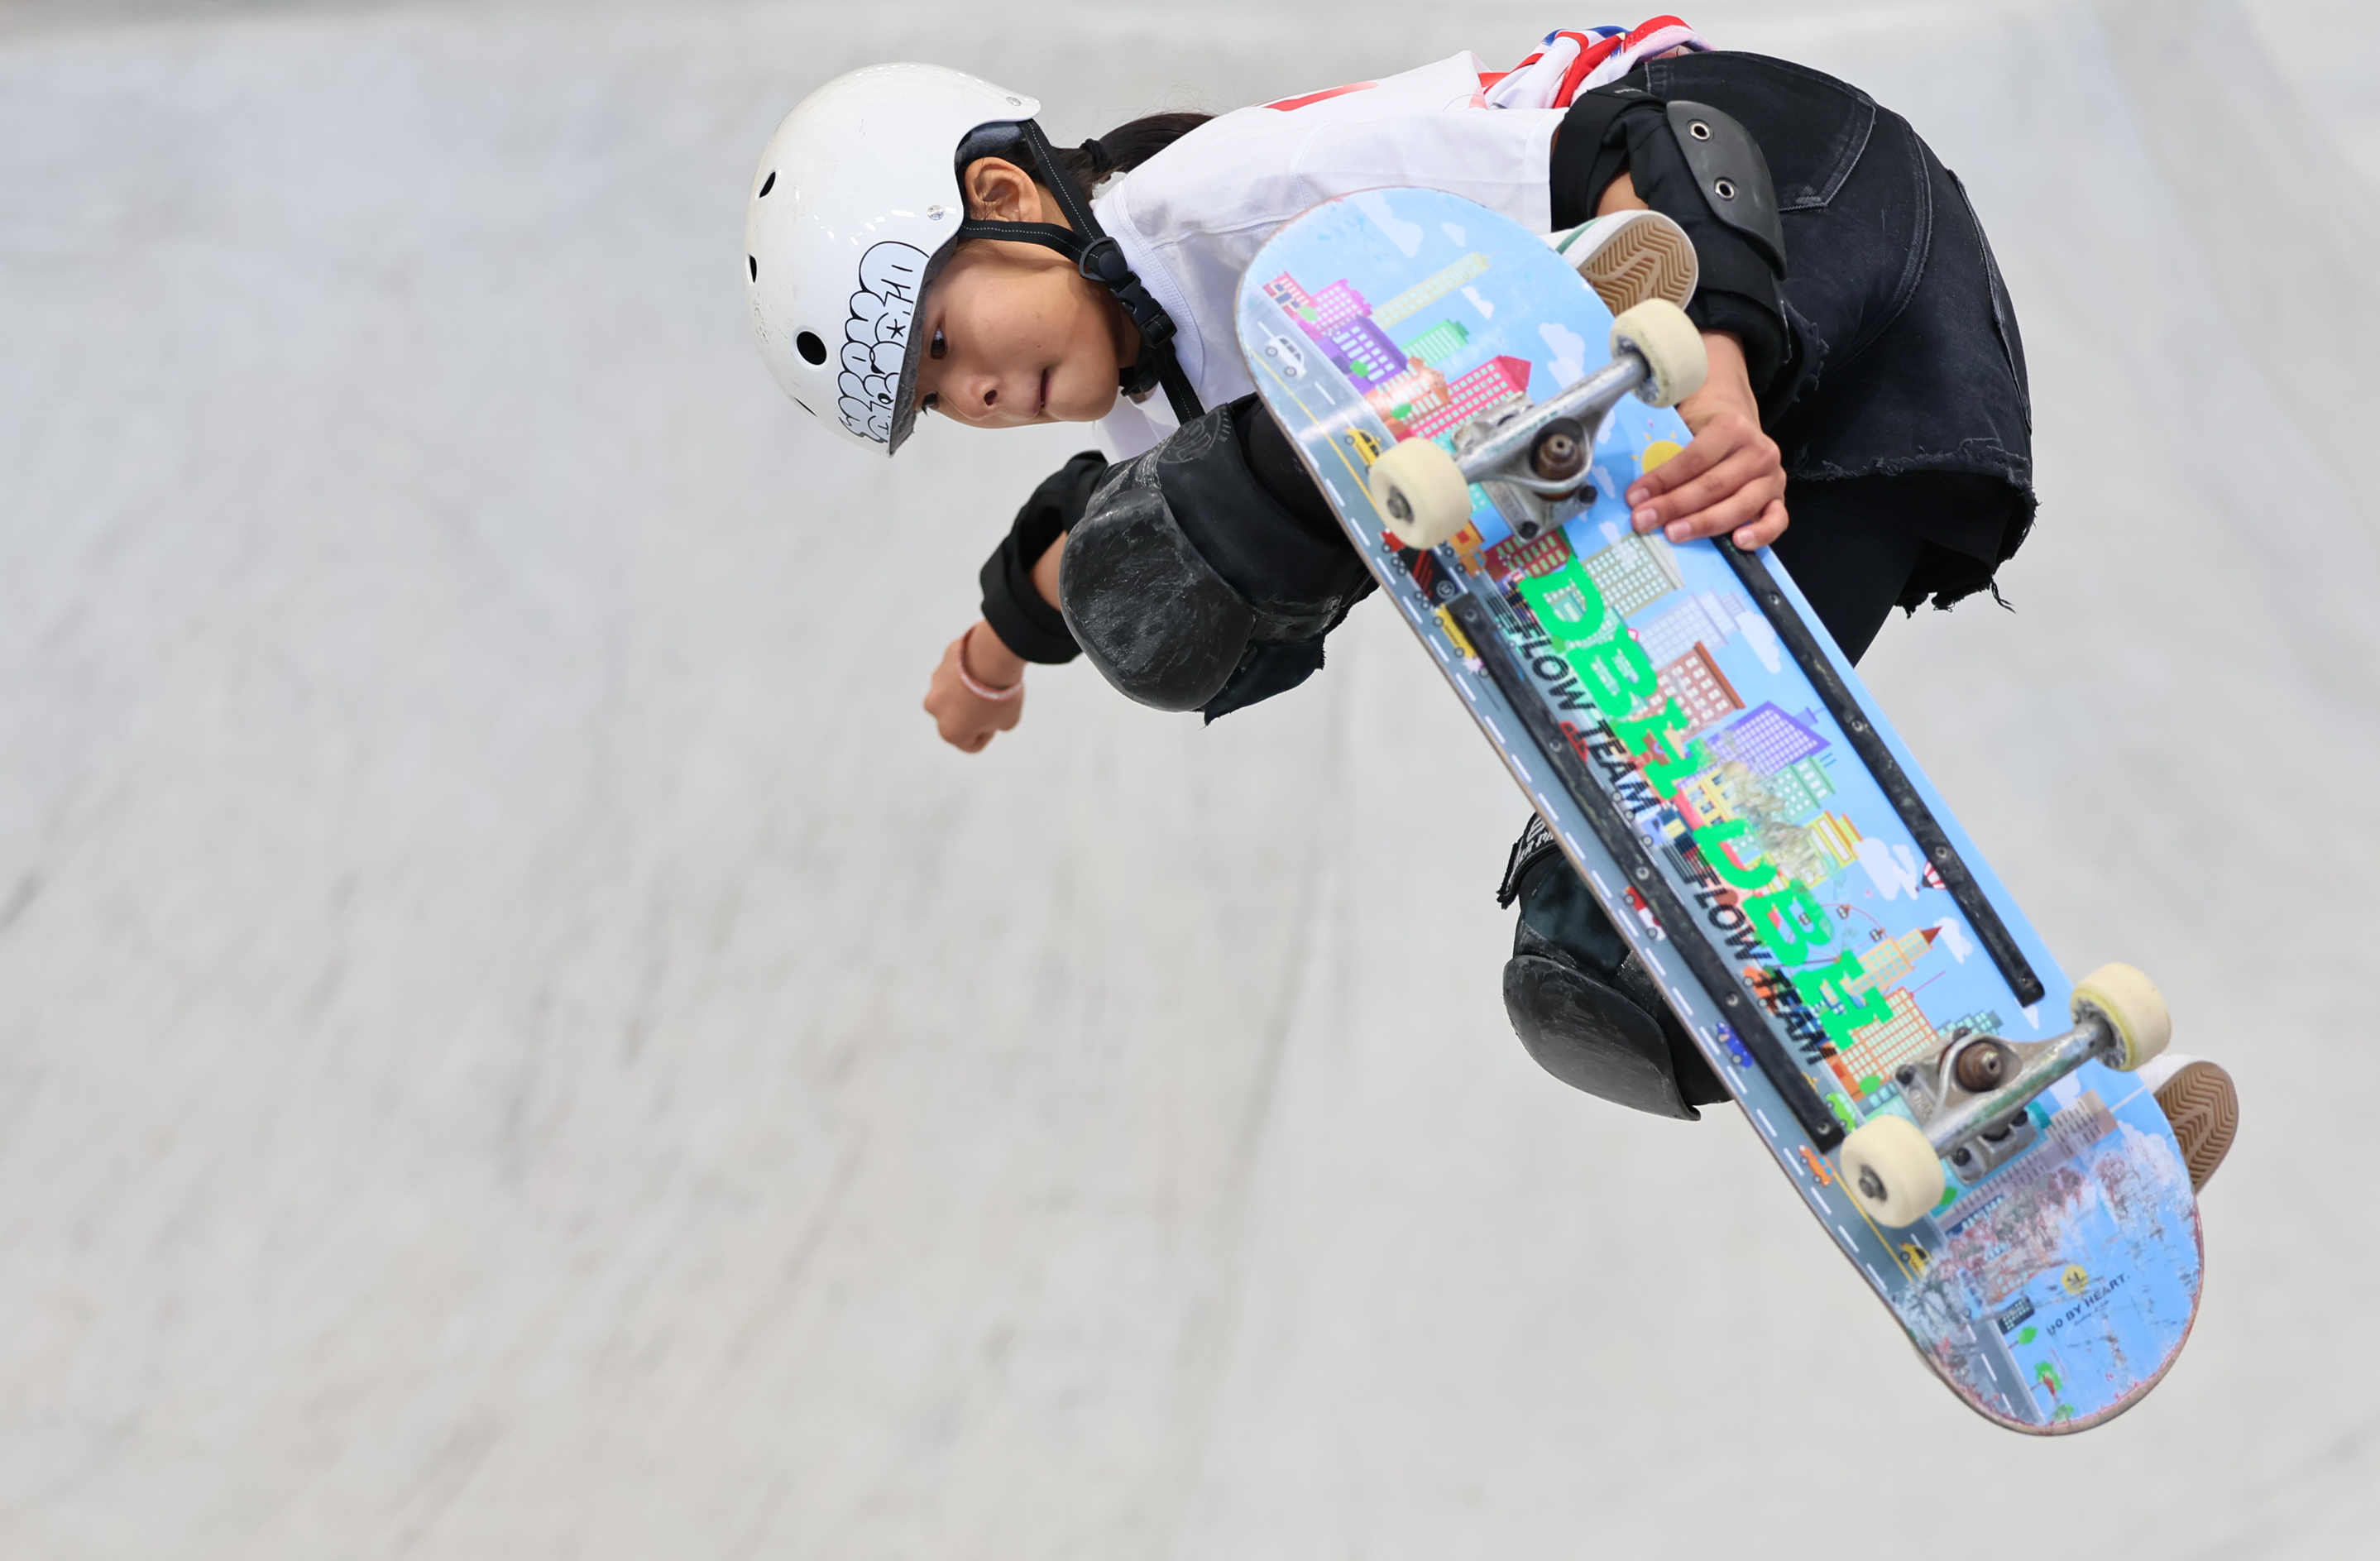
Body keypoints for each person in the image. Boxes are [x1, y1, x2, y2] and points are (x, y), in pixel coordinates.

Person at [742, 22, 2237, 1190]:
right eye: (938, 399)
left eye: (948, 337)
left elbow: (1653, 124)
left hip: (1797, 210)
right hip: (1885, 426)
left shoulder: (1223, 201)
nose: (977, 392)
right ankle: (2049, 1128)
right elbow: (1079, 530)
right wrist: (992, 651)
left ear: (1005, 196)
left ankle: (1587, 398)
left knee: (1203, 528)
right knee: (1610, 952)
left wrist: (1710, 349)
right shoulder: (1155, 416)